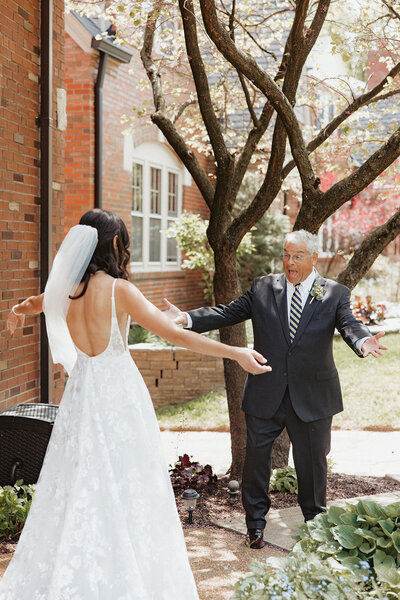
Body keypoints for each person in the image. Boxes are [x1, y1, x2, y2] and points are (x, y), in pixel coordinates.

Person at [1, 209, 270, 599]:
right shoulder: (119, 290)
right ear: (113, 244)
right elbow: (173, 337)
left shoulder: (63, 290)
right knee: (130, 481)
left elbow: (31, 303)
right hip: (119, 397)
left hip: (82, 393)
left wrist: (13, 313)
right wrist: (234, 351)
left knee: (78, 480)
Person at [163, 229, 387, 549]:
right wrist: (185, 318)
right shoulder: (264, 287)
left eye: (297, 256)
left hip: (312, 396)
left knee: (312, 466)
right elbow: (228, 312)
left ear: (314, 258)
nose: (289, 262)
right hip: (266, 391)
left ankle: (315, 526)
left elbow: (349, 324)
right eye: (285, 254)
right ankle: (255, 525)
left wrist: (364, 341)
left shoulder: (334, 293)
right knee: (255, 463)